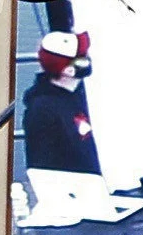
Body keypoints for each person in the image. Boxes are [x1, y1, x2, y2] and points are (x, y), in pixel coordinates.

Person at [23, 30, 100, 175]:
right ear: (69, 70)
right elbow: (43, 166)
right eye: (82, 58)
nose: (88, 59)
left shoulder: (75, 96)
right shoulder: (42, 110)